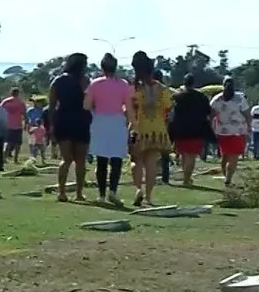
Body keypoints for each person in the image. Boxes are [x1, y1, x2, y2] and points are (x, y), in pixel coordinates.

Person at [85, 52, 134, 206]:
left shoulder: (95, 83)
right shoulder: (124, 84)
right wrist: (134, 124)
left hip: (99, 121)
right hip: (117, 121)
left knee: (101, 159)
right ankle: (113, 191)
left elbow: (86, 105)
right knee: (116, 158)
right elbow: (129, 108)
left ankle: (101, 194)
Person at [129, 51, 172, 207]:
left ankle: (138, 189)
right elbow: (167, 109)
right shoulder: (161, 88)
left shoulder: (134, 88)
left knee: (136, 160)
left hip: (139, 128)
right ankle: (148, 197)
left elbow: (128, 109)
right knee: (152, 163)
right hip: (157, 129)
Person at [49, 53, 92, 202]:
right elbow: (90, 102)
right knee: (81, 160)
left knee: (66, 159)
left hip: (63, 121)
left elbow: (52, 106)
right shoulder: (85, 81)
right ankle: (79, 193)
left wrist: (52, 126)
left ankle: (61, 192)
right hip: (82, 121)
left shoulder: (58, 80)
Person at [168, 73, 213, 187]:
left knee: (183, 154)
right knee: (191, 155)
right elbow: (208, 113)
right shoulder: (202, 97)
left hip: (180, 129)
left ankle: (186, 177)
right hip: (196, 129)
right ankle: (187, 178)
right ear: (194, 83)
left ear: (184, 83)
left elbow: (171, 112)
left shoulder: (178, 97)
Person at [210, 77, 250, 187]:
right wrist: (249, 126)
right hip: (238, 131)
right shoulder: (240, 98)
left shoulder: (216, 99)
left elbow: (211, 115)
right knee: (234, 157)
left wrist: (210, 128)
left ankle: (225, 175)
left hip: (222, 131)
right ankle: (228, 178)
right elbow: (247, 114)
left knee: (225, 155)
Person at [1, 88, 27, 164]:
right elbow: (24, 113)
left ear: (11, 93)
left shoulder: (5, 101)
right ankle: (15, 159)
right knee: (18, 143)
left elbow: (0, 110)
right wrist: (26, 123)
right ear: (18, 93)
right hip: (18, 125)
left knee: (8, 142)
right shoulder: (20, 102)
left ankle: (4, 158)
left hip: (8, 124)